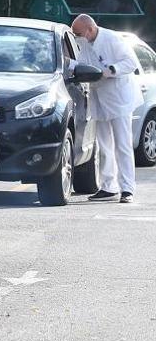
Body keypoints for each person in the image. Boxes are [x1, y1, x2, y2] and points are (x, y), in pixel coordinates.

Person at [71, 14, 140, 204]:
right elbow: (82, 62)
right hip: (98, 96)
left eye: (78, 33)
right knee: (103, 145)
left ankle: (127, 189)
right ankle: (108, 186)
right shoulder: (84, 42)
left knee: (122, 145)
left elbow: (131, 62)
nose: (76, 36)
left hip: (119, 97)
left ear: (90, 29)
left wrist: (110, 70)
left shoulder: (112, 38)